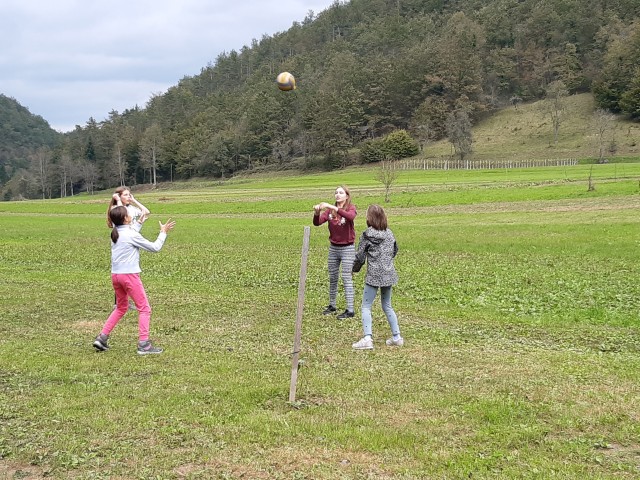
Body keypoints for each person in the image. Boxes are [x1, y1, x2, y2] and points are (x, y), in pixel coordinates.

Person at [93, 206, 175, 355]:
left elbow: (131, 234)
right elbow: (155, 248)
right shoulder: (129, 234)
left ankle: (102, 337)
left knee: (120, 308)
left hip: (116, 276)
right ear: (125, 219)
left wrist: (140, 223)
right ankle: (144, 344)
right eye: (128, 214)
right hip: (129, 276)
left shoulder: (115, 234)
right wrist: (163, 233)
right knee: (144, 309)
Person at [351, 204, 403, 350]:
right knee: (387, 305)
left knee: (366, 306)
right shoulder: (389, 233)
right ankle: (396, 336)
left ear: (369, 218)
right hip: (388, 273)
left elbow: (360, 256)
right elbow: (395, 250)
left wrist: (354, 269)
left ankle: (367, 338)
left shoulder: (367, 235)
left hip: (373, 274)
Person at [313, 185, 357, 319]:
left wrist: (333, 208)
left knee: (346, 278)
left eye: (341, 193)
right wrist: (316, 213)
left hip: (348, 248)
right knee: (333, 277)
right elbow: (317, 222)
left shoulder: (351, 208)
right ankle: (332, 305)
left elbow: (350, 217)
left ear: (347, 196)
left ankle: (350, 310)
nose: (338, 195)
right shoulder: (329, 212)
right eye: (336, 193)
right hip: (334, 248)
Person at [107, 187, 151, 310]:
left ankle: (123, 302)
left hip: (132, 236)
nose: (128, 197)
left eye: (129, 194)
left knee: (127, 270)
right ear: (119, 197)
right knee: (122, 269)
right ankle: (120, 303)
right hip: (123, 239)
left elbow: (146, 211)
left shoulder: (131, 208)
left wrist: (135, 200)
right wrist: (116, 200)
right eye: (126, 195)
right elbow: (122, 213)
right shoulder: (115, 209)